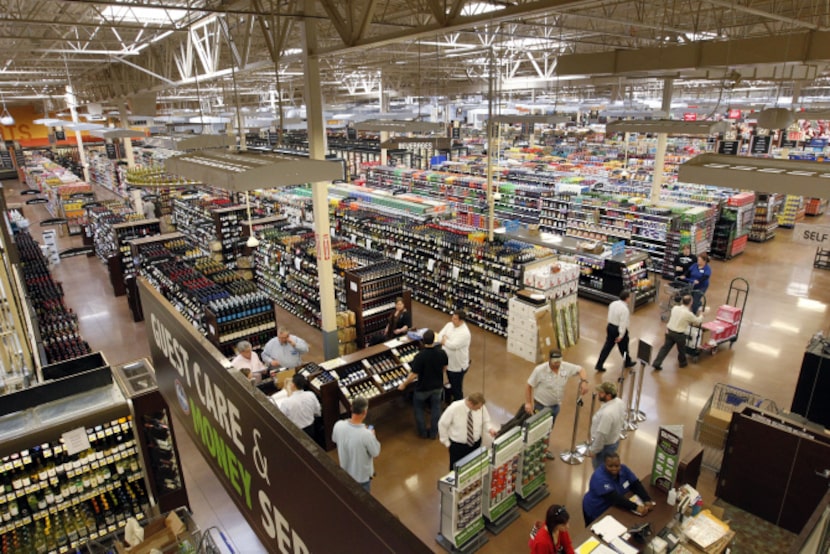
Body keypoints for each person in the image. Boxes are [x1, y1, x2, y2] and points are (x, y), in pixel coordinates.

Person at [525, 350, 589, 460]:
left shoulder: (565, 367)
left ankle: (544, 450)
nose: (557, 364)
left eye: (559, 362)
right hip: (541, 407)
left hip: (555, 407)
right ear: (549, 359)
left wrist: (584, 381)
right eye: (555, 362)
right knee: (538, 430)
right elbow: (529, 385)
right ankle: (532, 452)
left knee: (549, 429)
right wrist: (528, 403)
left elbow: (581, 369)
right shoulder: (540, 370)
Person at [397, 329, 447, 439]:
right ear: (434, 340)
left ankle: (423, 432)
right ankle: (434, 433)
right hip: (437, 386)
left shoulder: (420, 356)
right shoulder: (442, 353)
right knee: (436, 408)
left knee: (418, 408)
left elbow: (414, 374)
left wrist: (404, 384)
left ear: (423, 341)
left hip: (423, 388)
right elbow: (444, 368)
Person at [582, 452, 655, 526]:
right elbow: (614, 498)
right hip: (597, 509)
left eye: (617, 466)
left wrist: (646, 499)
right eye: (610, 466)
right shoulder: (599, 478)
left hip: (615, 507)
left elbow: (635, 483)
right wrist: (636, 507)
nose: (614, 469)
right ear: (604, 464)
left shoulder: (624, 469)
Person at [331, 397, 381, 493]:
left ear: (351, 408)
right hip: (361, 478)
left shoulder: (338, 425)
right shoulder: (366, 434)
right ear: (365, 412)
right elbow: (376, 453)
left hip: (345, 474)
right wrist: (372, 436)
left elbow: (334, 439)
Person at [438, 392, 498, 470]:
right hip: (458, 446)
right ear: (470, 403)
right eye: (478, 407)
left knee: (473, 466)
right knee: (456, 469)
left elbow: (486, 420)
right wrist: (446, 442)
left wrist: (490, 429)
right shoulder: (454, 408)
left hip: (475, 444)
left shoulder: (481, 407)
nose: (480, 409)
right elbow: (442, 424)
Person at [652, 294, 703, 370]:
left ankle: (657, 363)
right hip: (679, 335)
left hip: (669, 331)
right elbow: (698, 321)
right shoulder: (688, 314)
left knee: (665, 348)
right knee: (681, 350)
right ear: (691, 303)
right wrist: (702, 315)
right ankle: (683, 363)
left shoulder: (675, 308)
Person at [594, 290, 636, 372]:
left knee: (607, 347)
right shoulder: (625, 309)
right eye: (629, 297)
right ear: (626, 298)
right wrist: (621, 335)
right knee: (624, 347)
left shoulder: (613, 304)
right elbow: (623, 323)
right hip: (618, 329)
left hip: (610, 327)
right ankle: (627, 362)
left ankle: (599, 364)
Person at [588, 382, 627, 469]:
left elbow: (601, 434)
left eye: (601, 393)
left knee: (600, 471)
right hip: (614, 440)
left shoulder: (607, 414)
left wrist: (593, 450)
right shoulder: (619, 402)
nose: (599, 394)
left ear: (608, 396)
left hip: (604, 447)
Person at [273, 374, 321, 442]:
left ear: (293, 385)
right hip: (311, 429)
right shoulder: (311, 395)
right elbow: (318, 412)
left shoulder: (287, 402)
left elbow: (281, 419)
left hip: (296, 432)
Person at [437, 309, 471, 403]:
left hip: (457, 366)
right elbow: (440, 336)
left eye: (455, 319)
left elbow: (453, 346)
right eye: (452, 317)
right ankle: (451, 400)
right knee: (452, 384)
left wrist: (445, 340)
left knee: (457, 389)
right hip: (448, 363)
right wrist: (445, 340)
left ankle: (459, 404)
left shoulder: (464, 333)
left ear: (461, 321)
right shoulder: (449, 325)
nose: (452, 319)